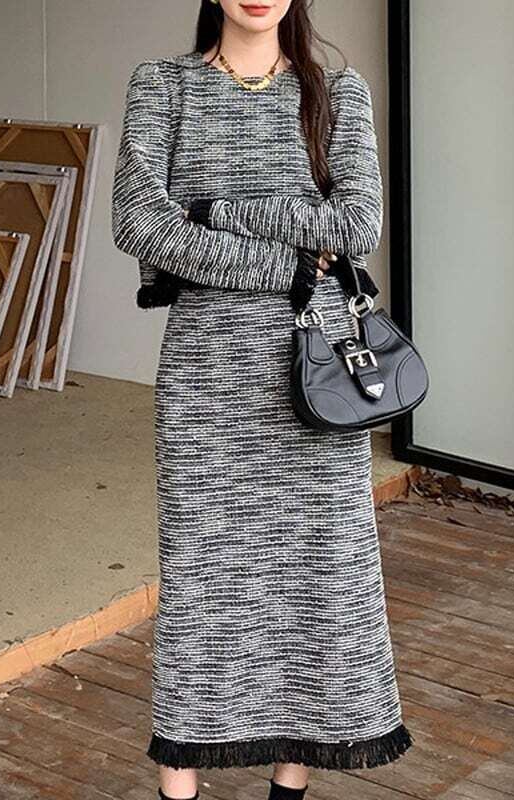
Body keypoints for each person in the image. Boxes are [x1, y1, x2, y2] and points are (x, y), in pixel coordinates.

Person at [110, 2, 412, 798]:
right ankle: (180, 784)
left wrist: (216, 213)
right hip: (207, 377)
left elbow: (358, 223)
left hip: (318, 377)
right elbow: (139, 221)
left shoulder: (337, 92)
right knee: (203, 577)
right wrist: (289, 263)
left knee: (316, 573)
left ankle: (290, 781)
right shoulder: (164, 86)